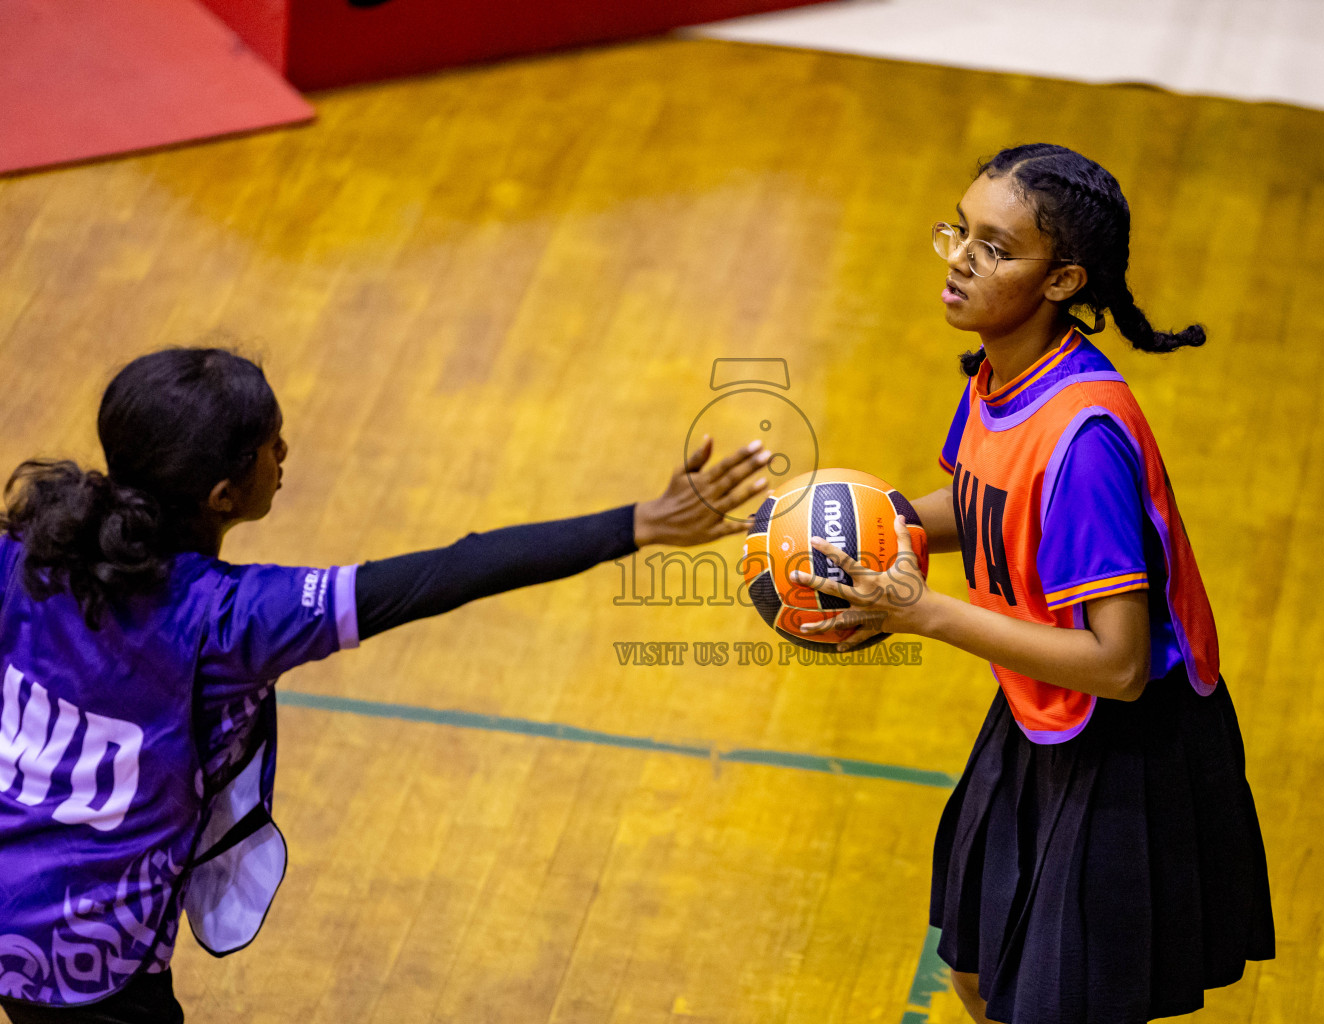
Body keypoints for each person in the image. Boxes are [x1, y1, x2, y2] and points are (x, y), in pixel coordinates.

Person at [0, 347, 771, 1022]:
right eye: (272, 446)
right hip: (84, 964)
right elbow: (448, 573)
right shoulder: (233, 620)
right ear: (222, 497)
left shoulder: (26, 550)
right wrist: (639, 522)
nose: (287, 451)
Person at [793, 144, 1275, 1023]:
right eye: (959, 232)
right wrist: (864, 528)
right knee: (974, 969)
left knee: (1058, 1005)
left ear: (1062, 281)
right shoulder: (1001, 373)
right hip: (1037, 714)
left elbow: (1120, 663)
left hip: (1129, 747)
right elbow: (982, 500)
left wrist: (921, 610)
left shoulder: (1086, 439)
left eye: (995, 247)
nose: (959, 260)